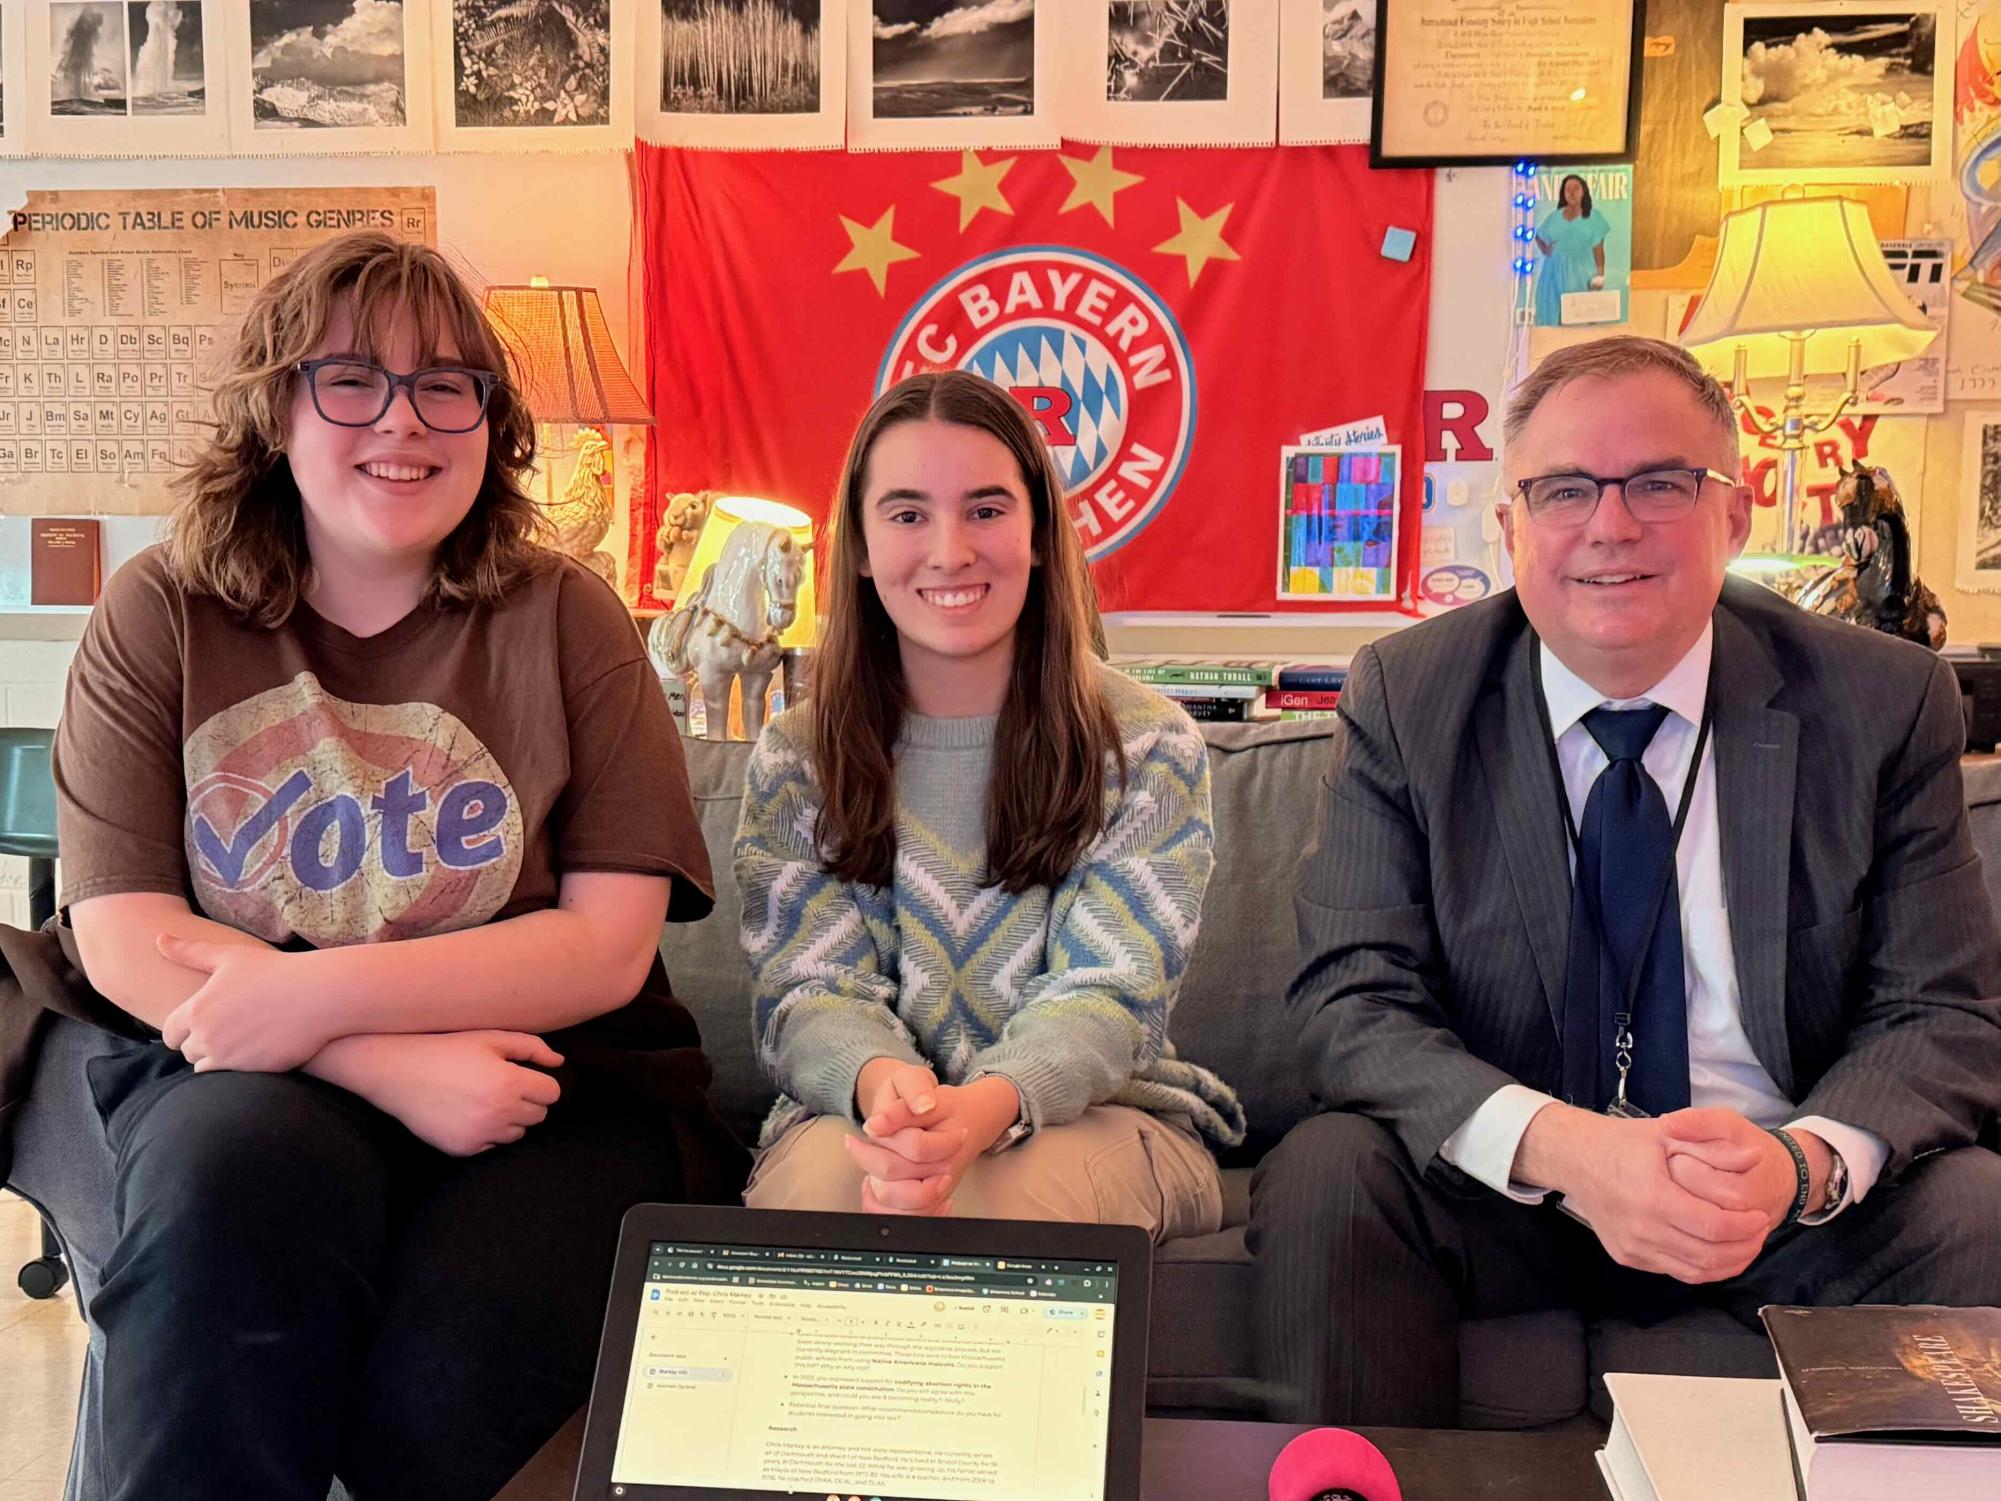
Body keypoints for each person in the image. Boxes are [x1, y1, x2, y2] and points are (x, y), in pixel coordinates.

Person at [53, 232, 744, 1501]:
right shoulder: (161, 611)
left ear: (492, 423)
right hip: (250, 1072)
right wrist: (369, 1054)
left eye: (447, 387)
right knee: (222, 1211)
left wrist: (311, 995)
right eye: (353, 380)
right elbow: (122, 928)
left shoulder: (565, 616)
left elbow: (606, 944)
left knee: (431, 1395)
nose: (404, 423)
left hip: (556, 1085)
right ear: (277, 406)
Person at [1247, 336, 2001, 1426]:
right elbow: (1350, 1000)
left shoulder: (1881, 701)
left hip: (1774, 1196)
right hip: (1517, 1190)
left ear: (1733, 517)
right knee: (1330, 1173)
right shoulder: (1410, 695)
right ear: (1509, 529)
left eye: (1659, 482)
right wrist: (1572, 1152)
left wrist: (1801, 1166)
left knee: (1975, 1204)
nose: (1611, 525)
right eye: (1563, 491)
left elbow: (1937, 1012)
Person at [734, 369, 1243, 1235]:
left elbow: (1107, 996)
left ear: (1038, 532)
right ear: (857, 546)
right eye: (905, 514)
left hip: (1105, 1117)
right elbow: (804, 993)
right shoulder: (797, 755)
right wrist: (890, 1096)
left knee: (988, 1206)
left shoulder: (1147, 744)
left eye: (985, 509)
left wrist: (980, 1113)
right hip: (862, 1118)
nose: (949, 550)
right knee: (830, 1199)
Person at [1533, 174, 1609, 327]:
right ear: (1564, 193)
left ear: (1583, 192)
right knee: (1553, 317)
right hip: (1553, 274)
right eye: (1568, 189)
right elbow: (1539, 236)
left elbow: (1598, 249)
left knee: (1579, 320)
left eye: (1576, 188)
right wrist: (1546, 249)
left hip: (1580, 274)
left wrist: (1600, 275)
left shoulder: (1594, 218)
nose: (1572, 193)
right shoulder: (1555, 217)